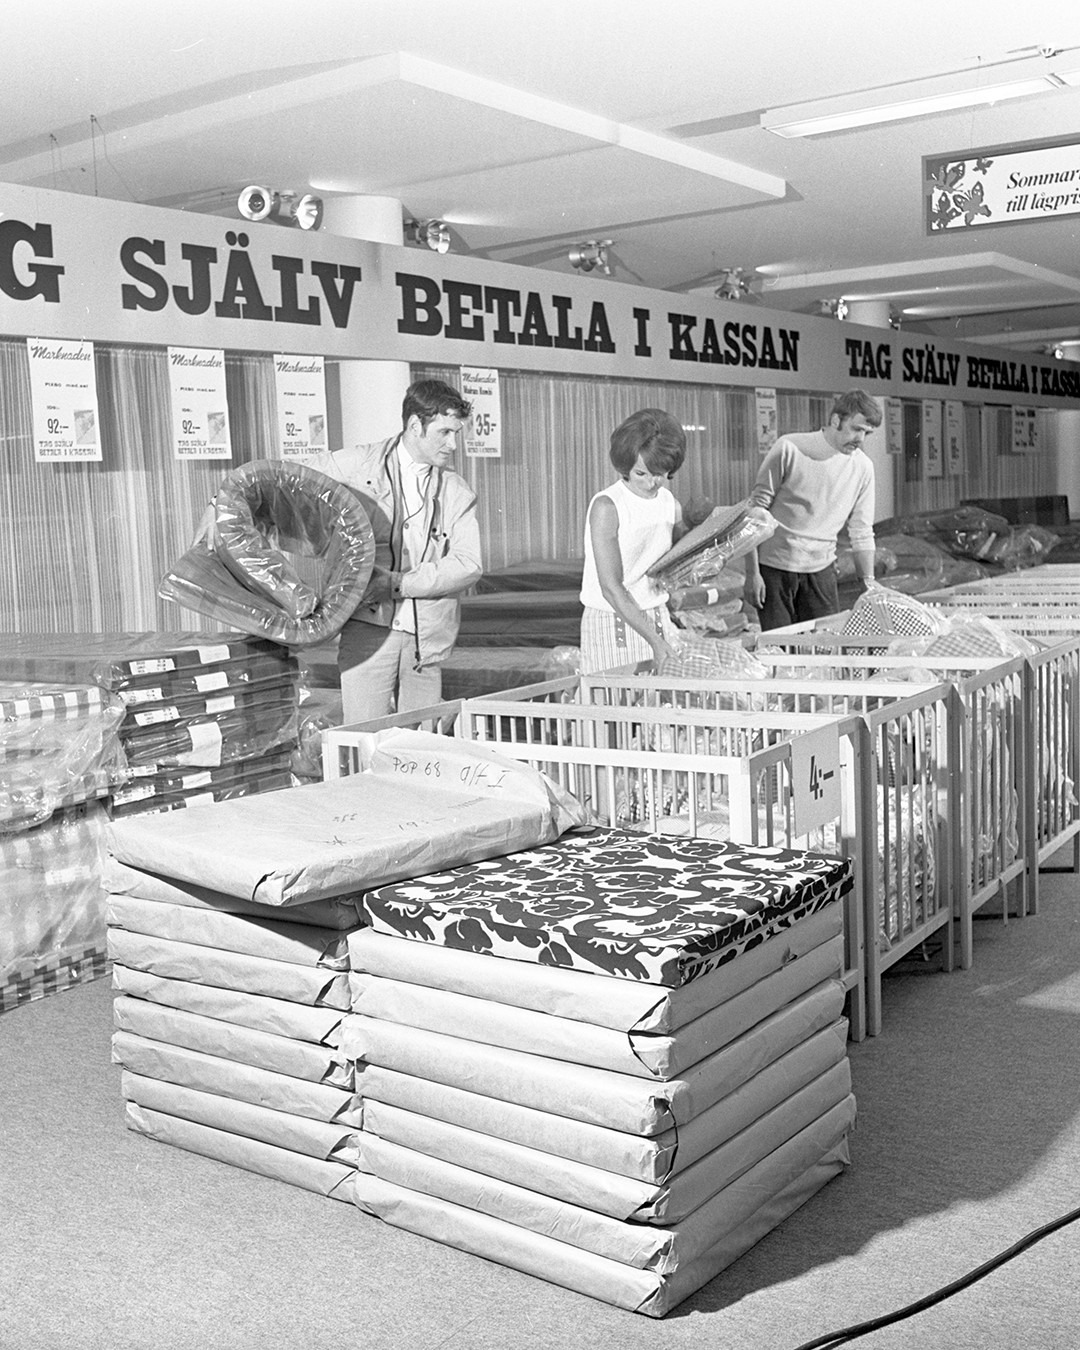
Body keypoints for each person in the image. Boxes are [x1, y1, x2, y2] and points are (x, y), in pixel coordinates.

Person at [305, 379, 481, 723]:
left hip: (426, 641)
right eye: (445, 432)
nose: (454, 445)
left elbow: (469, 564)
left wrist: (397, 584)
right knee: (364, 740)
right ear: (415, 425)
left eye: (457, 433)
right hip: (367, 631)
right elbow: (284, 480)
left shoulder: (456, 490)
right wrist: (218, 503)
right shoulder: (358, 464)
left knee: (419, 749)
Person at [744, 389, 880, 630]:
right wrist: (752, 573)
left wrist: (869, 584)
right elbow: (755, 513)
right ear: (836, 420)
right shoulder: (789, 448)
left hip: (821, 570)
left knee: (824, 650)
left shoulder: (863, 467)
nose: (861, 440)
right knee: (780, 649)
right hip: (775, 569)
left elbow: (861, 530)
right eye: (856, 429)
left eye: (867, 433)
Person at [579, 408, 690, 674]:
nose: (652, 482)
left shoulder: (668, 503)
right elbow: (611, 587)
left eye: (660, 474)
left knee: (653, 708)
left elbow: (674, 561)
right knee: (611, 710)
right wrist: (655, 640)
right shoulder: (608, 506)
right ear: (625, 464)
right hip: (612, 618)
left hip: (657, 614)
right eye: (642, 473)